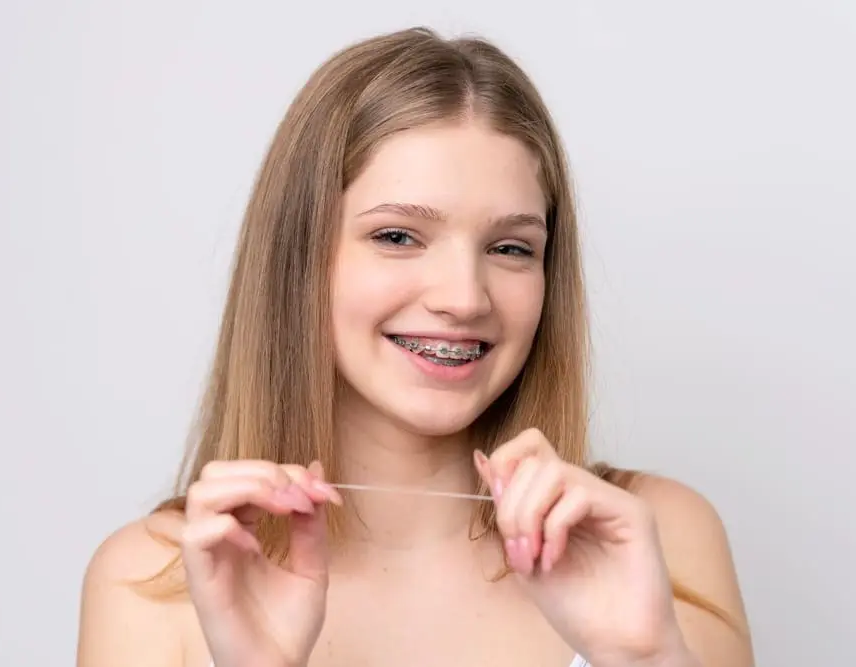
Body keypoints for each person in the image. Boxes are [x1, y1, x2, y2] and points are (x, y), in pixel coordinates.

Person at [76, 26, 754, 667]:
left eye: (511, 247)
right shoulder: (151, 582)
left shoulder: (654, 538)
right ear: (298, 260)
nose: (464, 296)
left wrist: (648, 659)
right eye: (398, 236)